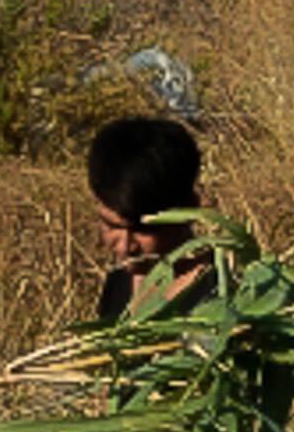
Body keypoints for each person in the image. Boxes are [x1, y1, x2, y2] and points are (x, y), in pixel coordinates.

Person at [85, 113, 209, 325]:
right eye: (111, 226)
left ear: (188, 211)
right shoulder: (117, 286)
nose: (125, 247)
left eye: (144, 230)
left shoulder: (225, 293)